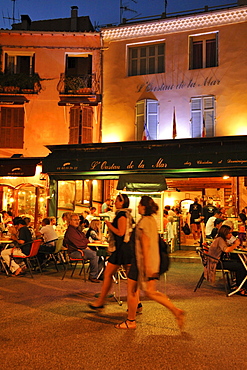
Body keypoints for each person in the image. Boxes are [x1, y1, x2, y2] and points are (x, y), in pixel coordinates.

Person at [115, 196, 185, 330]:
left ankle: (131, 321)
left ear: (144, 206)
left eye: (140, 205)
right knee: (150, 292)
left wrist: (146, 267)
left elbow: (145, 245)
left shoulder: (144, 222)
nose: (137, 207)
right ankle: (175, 311)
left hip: (142, 262)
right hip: (153, 261)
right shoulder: (152, 220)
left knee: (133, 291)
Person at [88, 193, 137, 309]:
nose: (115, 202)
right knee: (129, 277)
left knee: (109, 274)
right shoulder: (127, 214)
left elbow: (121, 232)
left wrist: (109, 225)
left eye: (117, 200)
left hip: (121, 250)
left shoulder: (121, 215)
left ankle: (101, 301)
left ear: (122, 202)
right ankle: (137, 304)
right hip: (125, 249)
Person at [205, 225, 247, 296]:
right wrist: (236, 244)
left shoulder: (220, 239)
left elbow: (227, 246)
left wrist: (234, 244)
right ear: (225, 234)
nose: (231, 235)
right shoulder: (220, 240)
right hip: (216, 262)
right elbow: (226, 250)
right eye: (229, 233)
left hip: (216, 261)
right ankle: (241, 288)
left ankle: (239, 285)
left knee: (239, 263)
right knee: (240, 266)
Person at [63, 213, 100, 283]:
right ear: (70, 221)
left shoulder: (77, 230)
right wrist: (86, 246)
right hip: (75, 252)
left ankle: (100, 274)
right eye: (75, 220)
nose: (77, 221)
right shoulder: (71, 231)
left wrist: (85, 244)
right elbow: (78, 243)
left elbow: (85, 239)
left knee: (99, 254)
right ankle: (93, 276)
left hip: (81, 249)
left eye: (78, 220)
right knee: (94, 255)